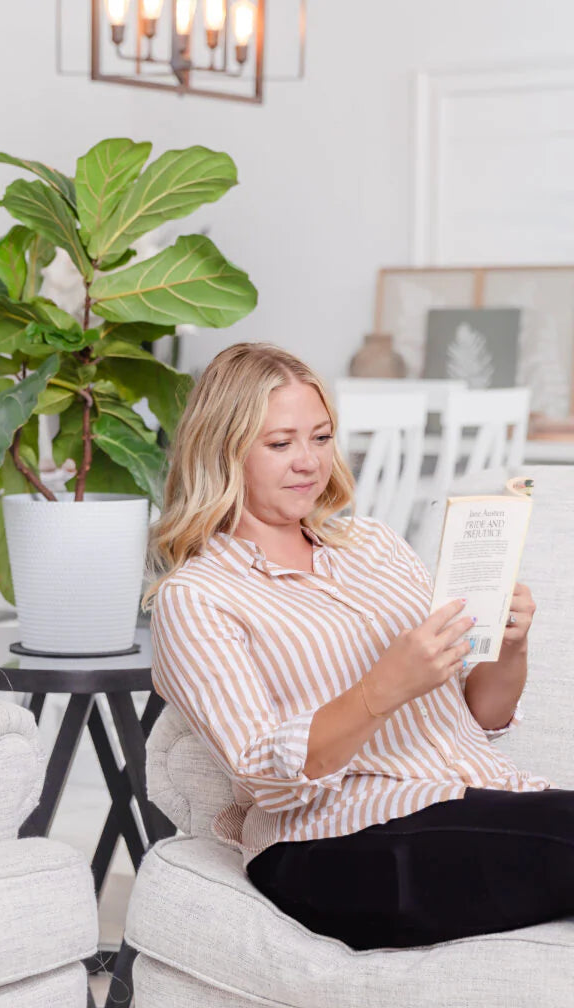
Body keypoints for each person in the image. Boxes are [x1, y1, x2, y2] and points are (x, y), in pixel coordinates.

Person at [146, 342, 565, 951]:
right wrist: (384, 687)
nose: (308, 462)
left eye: (320, 438)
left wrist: (509, 646)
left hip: (459, 799)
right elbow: (266, 779)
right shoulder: (198, 597)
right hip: (332, 845)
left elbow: (479, 717)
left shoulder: (373, 546)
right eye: (281, 443)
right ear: (223, 449)